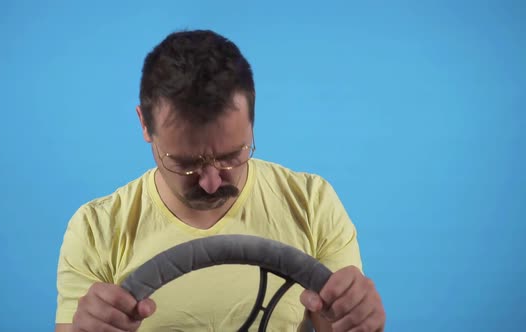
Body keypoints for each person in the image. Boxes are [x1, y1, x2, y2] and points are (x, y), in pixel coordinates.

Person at [55, 29, 385, 332]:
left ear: (253, 121)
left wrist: (357, 317)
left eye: (231, 156)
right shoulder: (96, 229)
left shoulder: (312, 203)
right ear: (144, 124)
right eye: (186, 163)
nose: (211, 183)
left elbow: (339, 325)